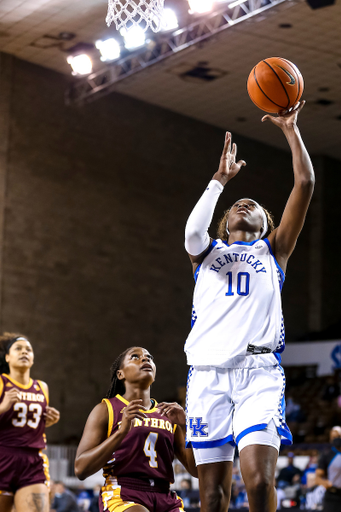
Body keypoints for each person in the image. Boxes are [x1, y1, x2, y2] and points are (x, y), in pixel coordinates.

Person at [184, 101, 314, 512]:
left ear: (265, 224)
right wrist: (219, 180)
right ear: (225, 222)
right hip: (206, 375)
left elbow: (305, 183)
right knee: (212, 495)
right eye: (238, 203)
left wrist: (291, 130)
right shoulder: (206, 252)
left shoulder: (273, 251)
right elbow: (191, 231)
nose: (245, 204)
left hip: (258, 374)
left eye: (254, 204)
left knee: (258, 483)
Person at [75, 346, 197, 512]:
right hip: (124, 492)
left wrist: (184, 427)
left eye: (149, 357)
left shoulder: (169, 414)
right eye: (135, 356)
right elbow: (80, 469)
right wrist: (121, 432)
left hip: (164, 494)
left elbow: (196, 471)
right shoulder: (106, 409)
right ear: (121, 374)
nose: (145, 359)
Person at [0, 333, 60, 512]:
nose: (24, 352)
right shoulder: (1, 383)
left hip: (32, 460)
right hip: (3, 455)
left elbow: (27, 424)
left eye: (29, 349)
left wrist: (49, 421)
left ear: (33, 358)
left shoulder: (42, 387)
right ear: (7, 357)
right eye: (18, 348)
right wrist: (3, 407)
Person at [315, 428, 341, 511]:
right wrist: (326, 483)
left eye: (338, 436)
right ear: (330, 439)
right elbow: (317, 478)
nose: (336, 439)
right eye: (333, 437)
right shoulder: (326, 455)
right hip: (332, 495)